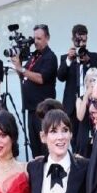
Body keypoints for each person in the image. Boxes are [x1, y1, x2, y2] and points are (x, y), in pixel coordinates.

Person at [9, 25, 58, 158]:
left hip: (44, 111)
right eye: (34, 38)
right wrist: (17, 65)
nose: (35, 41)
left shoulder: (50, 57)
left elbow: (41, 78)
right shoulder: (34, 56)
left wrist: (22, 69)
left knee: (45, 148)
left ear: (47, 38)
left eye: (39, 38)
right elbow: (24, 75)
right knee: (35, 148)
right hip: (31, 109)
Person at [58, 24, 97, 134]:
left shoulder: (94, 57)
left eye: (83, 40)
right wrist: (69, 60)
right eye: (78, 40)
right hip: (71, 105)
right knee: (73, 136)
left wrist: (89, 61)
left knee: (90, 135)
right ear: (72, 39)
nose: (81, 43)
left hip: (90, 102)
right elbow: (60, 77)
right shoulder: (65, 58)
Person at [74, 68, 97, 157]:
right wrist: (86, 96)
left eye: (94, 80)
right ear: (86, 82)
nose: (92, 83)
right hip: (84, 137)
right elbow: (80, 117)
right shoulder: (80, 99)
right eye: (90, 80)